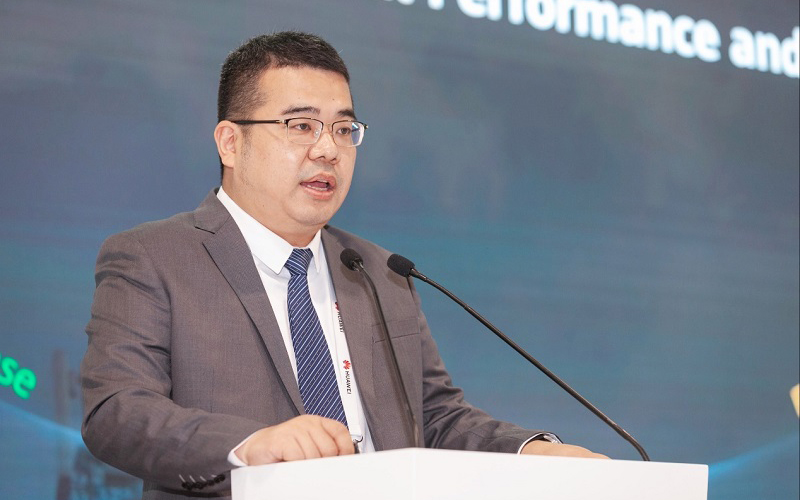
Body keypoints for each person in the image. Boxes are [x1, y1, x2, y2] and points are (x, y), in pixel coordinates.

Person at [81, 31, 605, 499]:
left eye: (343, 128)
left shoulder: (380, 271)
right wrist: (249, 446)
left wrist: (532, 452)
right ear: (231, 143)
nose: (328, 149)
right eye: (301, 126)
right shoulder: (154, 257)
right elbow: (118, 412)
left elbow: (434, 418)